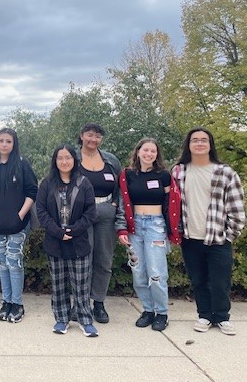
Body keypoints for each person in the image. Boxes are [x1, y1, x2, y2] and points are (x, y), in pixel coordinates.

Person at [172, 127, 246, 336]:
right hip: (190, 237)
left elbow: (236, 207)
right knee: (198, 280)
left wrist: (229, 235)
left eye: (204, 140)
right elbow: (172, 204)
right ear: (189, 144)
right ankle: (204, 315)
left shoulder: (225, 172)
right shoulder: (178, 172)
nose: (199, 143)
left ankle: (222, 317)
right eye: (195, 140)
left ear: (210, 144)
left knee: (220, 281)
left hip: (218, 239)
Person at [116, 138, 180, 331]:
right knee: (138, 272)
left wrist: (173, 231)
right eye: (145, 150)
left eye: (153, 151)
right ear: (138, 152)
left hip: (156, 226)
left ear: (157, 154)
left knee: (157, 273)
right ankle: (147, 310)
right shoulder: (127, 175)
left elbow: (172, 203)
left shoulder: (164, 176)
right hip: (135, 227)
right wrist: (122, 229)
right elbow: (121, 203)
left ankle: (162, 313)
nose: (149, 154)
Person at [37, 144, 99, 337]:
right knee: (59, 283)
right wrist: (57, 231)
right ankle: (61, 319)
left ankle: (85, 319)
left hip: (78, 241)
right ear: (55, 161)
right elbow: (41, 211)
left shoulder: (84, 183)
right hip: (55, 241)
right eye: (60, 158)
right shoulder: (47, 183)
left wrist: (73, 230)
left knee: (81, 284)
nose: (64, 162)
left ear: (74, 160)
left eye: (68, 158)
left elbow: (91, 212)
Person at [0, 128, 37, 323]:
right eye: (1, 141)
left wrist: (20, 214)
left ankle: (17, 304)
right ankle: (6, 302)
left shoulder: (22, 165)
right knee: (2, 264)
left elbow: (32, 191)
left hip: (18, 224)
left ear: (14, 144)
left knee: (14, 262)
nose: (4, 144)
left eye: (8, 141)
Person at [75, 122, 123, 323]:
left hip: (105, 212)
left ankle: (99, 303)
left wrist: (115, 205)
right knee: (82, 260)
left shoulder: (110, 160)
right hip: (81, 214)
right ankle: (81, 303)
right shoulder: (72, 157)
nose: (93, 139)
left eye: (97, 136)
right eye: (89, 135)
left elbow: (121, 187)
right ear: (82, 135)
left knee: (103, 260)